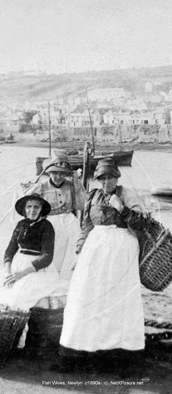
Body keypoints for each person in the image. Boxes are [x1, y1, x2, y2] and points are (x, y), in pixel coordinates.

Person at [58, 157, 146, 373]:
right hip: (94, 250)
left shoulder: (127, 194)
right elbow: (86, 224)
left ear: (117, 177)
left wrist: (122, 209)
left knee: (115, 300)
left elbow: (142, 224)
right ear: (98, 179)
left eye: (110, 177)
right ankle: (81, 349)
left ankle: (116, 355)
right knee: (85, 297)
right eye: (102, 178)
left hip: (121, 250)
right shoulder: (94, 196)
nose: (106, 182)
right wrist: (79, 251)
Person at [0, 193, 59, 347]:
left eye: (36, 207)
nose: (32, 210)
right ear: (24, 209)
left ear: (41, 209)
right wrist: (8, 271)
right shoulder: (21, 225)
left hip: (37, 269)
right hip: (16, 265)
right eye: (29, 207)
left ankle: (14, 340)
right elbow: (10, 251)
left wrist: (21, 274)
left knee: (17, 299)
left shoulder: (46, 227)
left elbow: (47, 257)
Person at [25, 156, 86, 284]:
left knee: (70, 254)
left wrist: (77, 183)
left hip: (69, 223)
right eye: (54, 173)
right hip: (50, 223)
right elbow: (27, 204)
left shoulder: (71, 186)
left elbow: (81, 205)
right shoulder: (41, 187)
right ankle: (47, 283)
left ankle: (66, 282)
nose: (57, 177)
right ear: (49, 172)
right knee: (51, 253)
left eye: (61, 173)